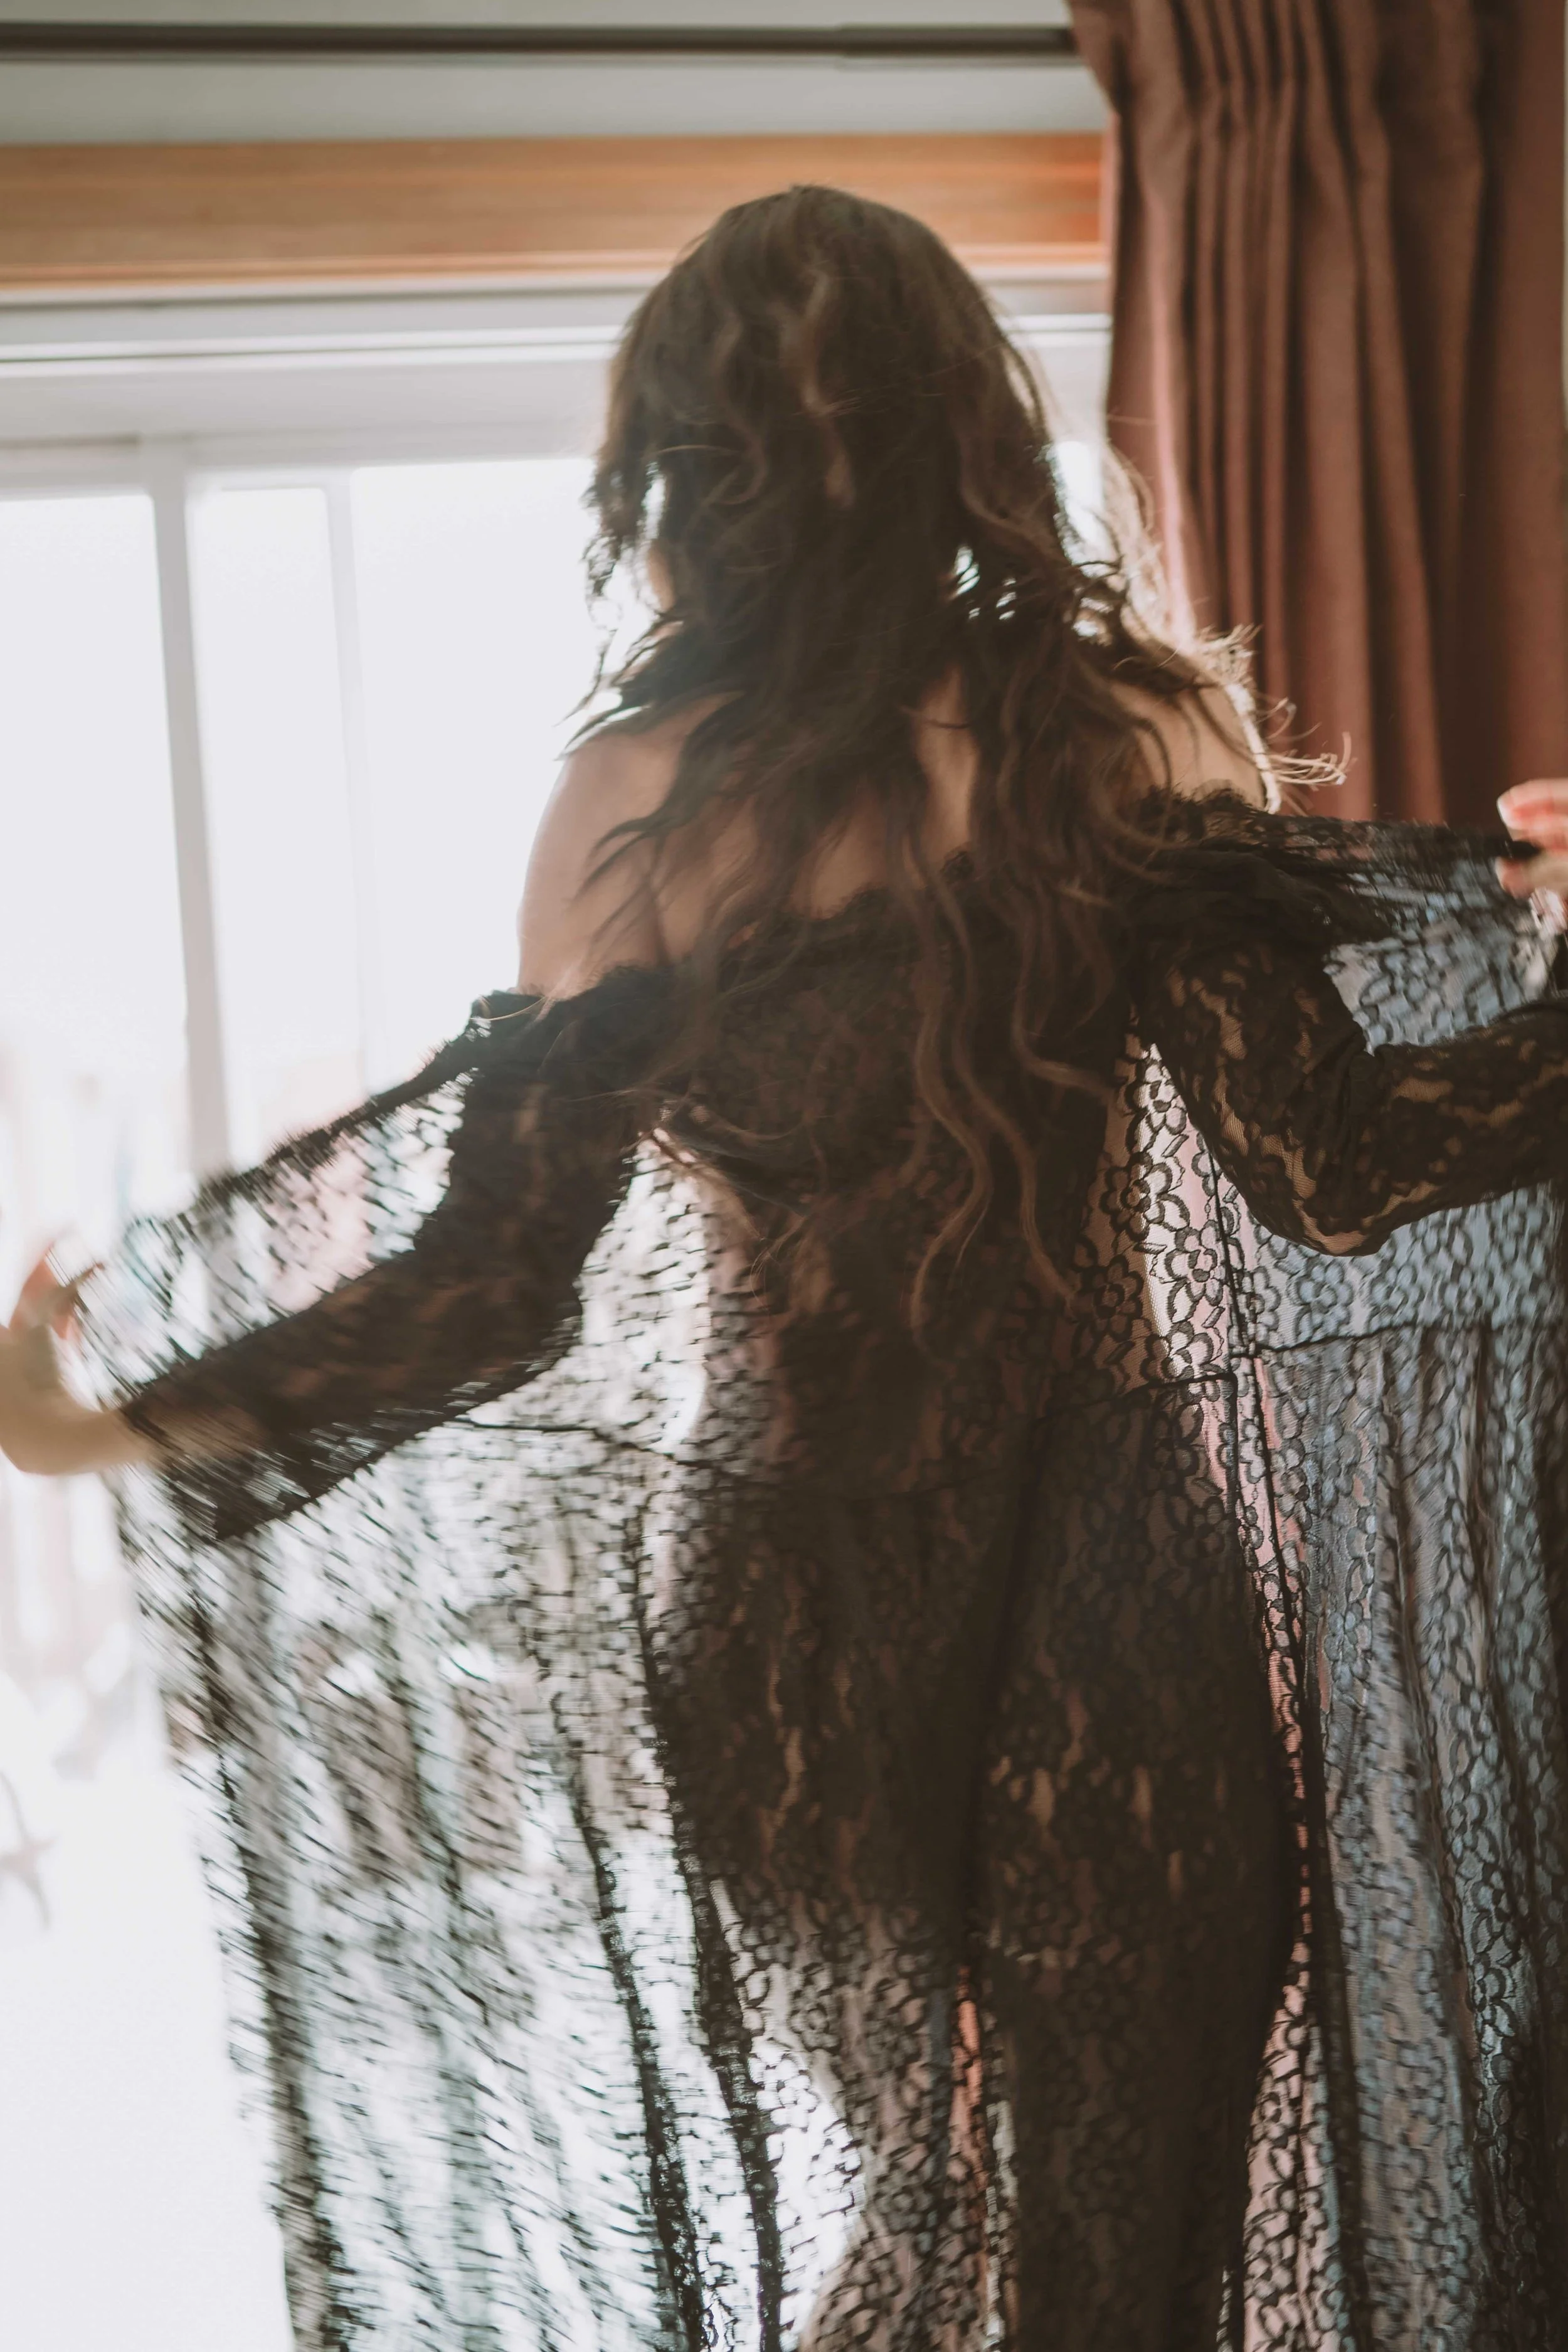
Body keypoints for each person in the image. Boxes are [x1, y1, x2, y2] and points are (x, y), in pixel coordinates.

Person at [4, 187, 1568, 2349]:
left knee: (948, 2215)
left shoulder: (638, 808)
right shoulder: (1124, 737)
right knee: (1091, 2244)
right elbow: (1336, 1162)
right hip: (1091, 1598)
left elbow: (489, 1288)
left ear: (672, 482)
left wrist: (111, 1419)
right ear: (967, 432)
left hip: (803, 1608)